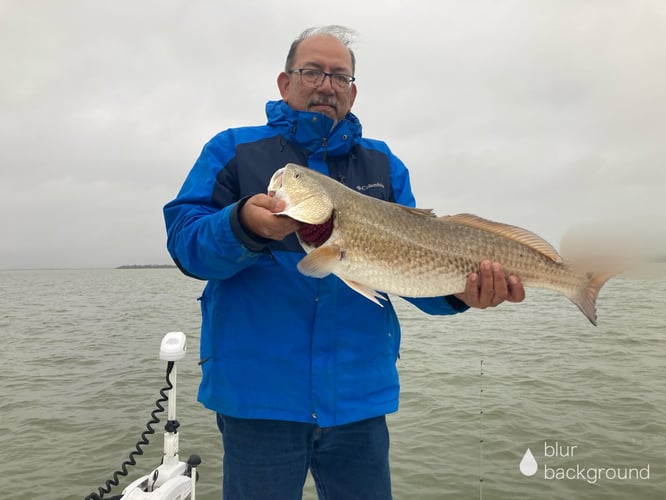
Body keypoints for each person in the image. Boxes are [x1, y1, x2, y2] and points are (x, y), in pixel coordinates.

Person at [164, 25, 525, 500]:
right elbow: (186, 242)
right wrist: (242, 227)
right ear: (284, 82)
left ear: (353, 92)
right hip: (257, 395)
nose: (326, 85)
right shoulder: (232, 150)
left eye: (339, 76)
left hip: (358, 399)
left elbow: (411, 272)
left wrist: (462, 293)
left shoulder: (383, 164)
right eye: (312, 71)